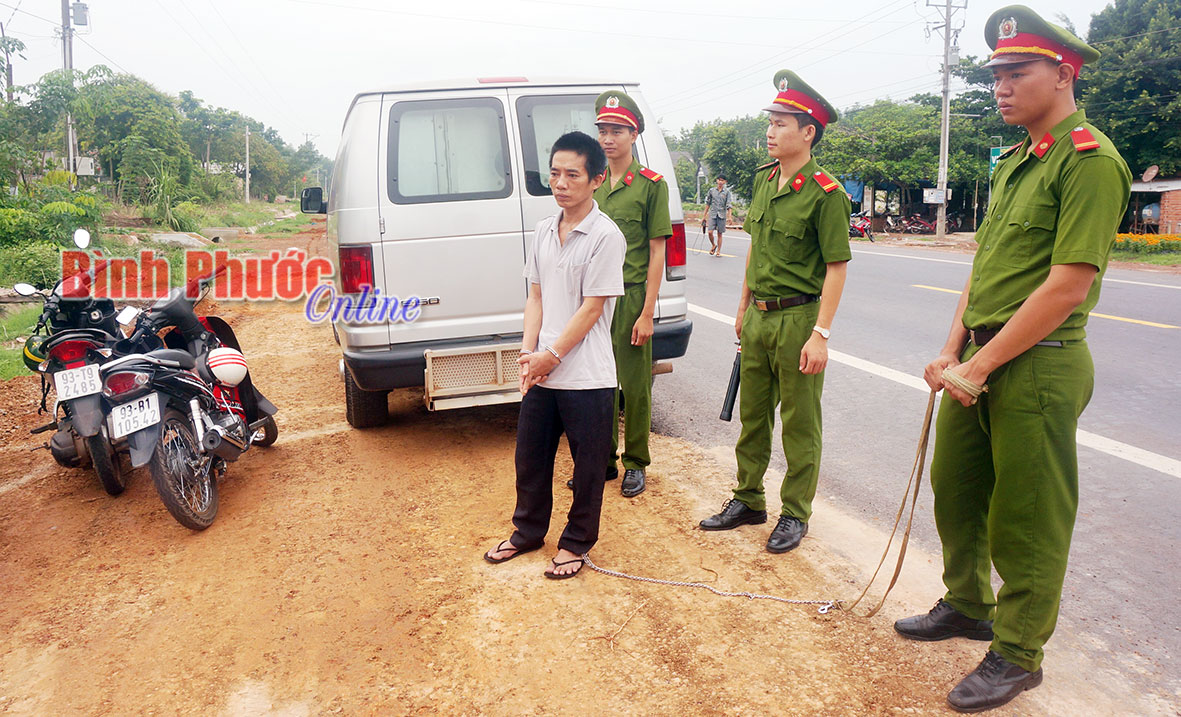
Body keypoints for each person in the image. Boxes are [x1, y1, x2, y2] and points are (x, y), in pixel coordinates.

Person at [892, 7, 1131, 713]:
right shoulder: (1011, 160)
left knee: (1025, 515)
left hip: (1038, 364)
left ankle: (1018, 651)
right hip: (981, 357)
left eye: (1014, 72)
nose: (999, 86)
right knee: (956, 488)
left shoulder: (1091, 161)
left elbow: (1066, 284)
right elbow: (987, 266)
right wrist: (950, 349)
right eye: (994, 73)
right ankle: (967, 603)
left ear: (1062, 74)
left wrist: (984, 362)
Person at [698, 70, 851, 554]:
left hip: (799, 319)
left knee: (801, 422)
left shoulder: (826, 193)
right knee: (753, 416)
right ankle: (748, 499)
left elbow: (836, 268)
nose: (770, 131)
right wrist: (742, 307)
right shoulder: (763, 181)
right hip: (761, 317)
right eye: (770, 122)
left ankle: (795, 512)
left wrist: (821, 334)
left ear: (808, 132)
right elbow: (755, 249)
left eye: (782, 123)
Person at [484, 131, 625, 579]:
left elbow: (593, 307)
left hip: (587, 376)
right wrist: (529, 353)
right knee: (530, 457)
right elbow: (536, 297)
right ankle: (527, 533)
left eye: (572, 174)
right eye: (555, 173)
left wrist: (552, 355)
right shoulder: (545, 230)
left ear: (596, 179)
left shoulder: (606, 236)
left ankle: (576, 543)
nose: (560, 183)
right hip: (543, 371)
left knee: (587, 469)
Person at [578, 90, 672, 499]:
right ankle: (602, 460)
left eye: (617, 130)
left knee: (634, 387)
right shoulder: (591, 184)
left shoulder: (651, 186)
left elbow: (657, 250)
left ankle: (636, 463)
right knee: (596, 384)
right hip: (594, 301)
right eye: (602, 130)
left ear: (634, 135)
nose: (608, 138)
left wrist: (648, 311)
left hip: (631, 297)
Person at [703, 175, 733, 256]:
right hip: (712, 214)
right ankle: (713, 245)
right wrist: (704, 216)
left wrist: (730, 217)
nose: (720, 182)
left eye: (722, 180)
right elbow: (708, 203)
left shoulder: (727, 192)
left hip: (722, 215)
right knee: (709, 232)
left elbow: (729, 205)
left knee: (720, 233)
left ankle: (718, 251)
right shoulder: (712, 191)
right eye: (719, 180)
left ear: (725, 182)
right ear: (717, 181)